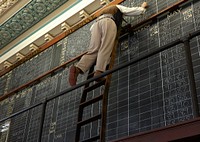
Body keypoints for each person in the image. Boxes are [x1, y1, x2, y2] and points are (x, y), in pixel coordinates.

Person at [69, 2, 148, 86]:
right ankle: (99, 72)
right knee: (105, 47)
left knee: (93, 50)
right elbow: (129, 11)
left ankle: (77, 69)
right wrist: (142, 8)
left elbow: (91, 29)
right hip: (108, 22)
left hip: (95, 25)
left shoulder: (100, 14)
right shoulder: (116, 6)